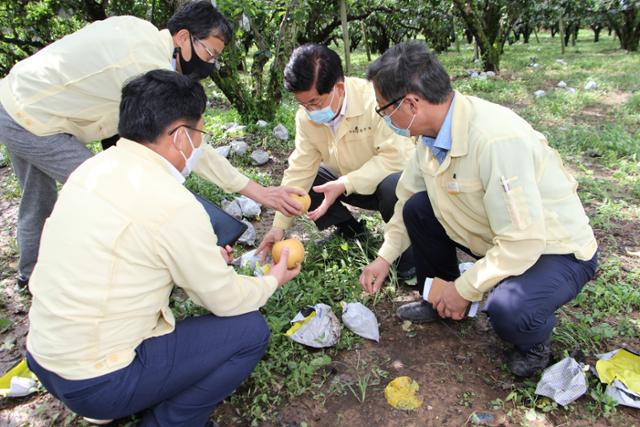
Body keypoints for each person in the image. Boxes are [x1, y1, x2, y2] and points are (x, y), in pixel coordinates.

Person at [26, 69, 300, 427]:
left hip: (44, 356)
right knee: (249, 332)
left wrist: (195, 261)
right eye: (200, 134)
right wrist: (272, 280)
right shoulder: (173, 204)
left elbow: (127, 255)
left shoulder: (93, 170)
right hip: (95, 381)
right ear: (182, 136)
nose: (200, 145)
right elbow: (225, 300)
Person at [0, 0, 303, 289]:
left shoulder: (140, 32)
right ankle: (120, 276)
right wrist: (258, 191)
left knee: (37, 199)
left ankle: (31, 276)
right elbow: (189, 142)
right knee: (112, 192)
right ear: (183, 37)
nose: (210, 64)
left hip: (16, 96)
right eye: (209, 53)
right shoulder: (146, 66)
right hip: (33, 118)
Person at [359, 41, 598, 377]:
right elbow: (405, 198)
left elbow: (522, 242)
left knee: (508, 309)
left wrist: (466, 288)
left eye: (384, 109)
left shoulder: (494, 140)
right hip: (497, 234)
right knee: (417, 208)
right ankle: (438, 299)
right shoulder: (429, 136)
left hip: (554, 250)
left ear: (411, 103)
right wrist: (384, 257)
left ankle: (533, 343)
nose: (385, 118)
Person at [257, 44, 415, 277]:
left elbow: (398, 159)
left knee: (394, 184)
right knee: (307, 181)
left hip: (385, 184)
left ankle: (407, 259)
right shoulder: (306, 118)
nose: (310, 111)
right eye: (303, 104)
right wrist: (279, 227)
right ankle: (351, 230)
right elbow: (300, 168)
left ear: (338, 88)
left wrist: (346, 183)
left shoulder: (376, 99)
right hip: (343, 183)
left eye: (314, 103)